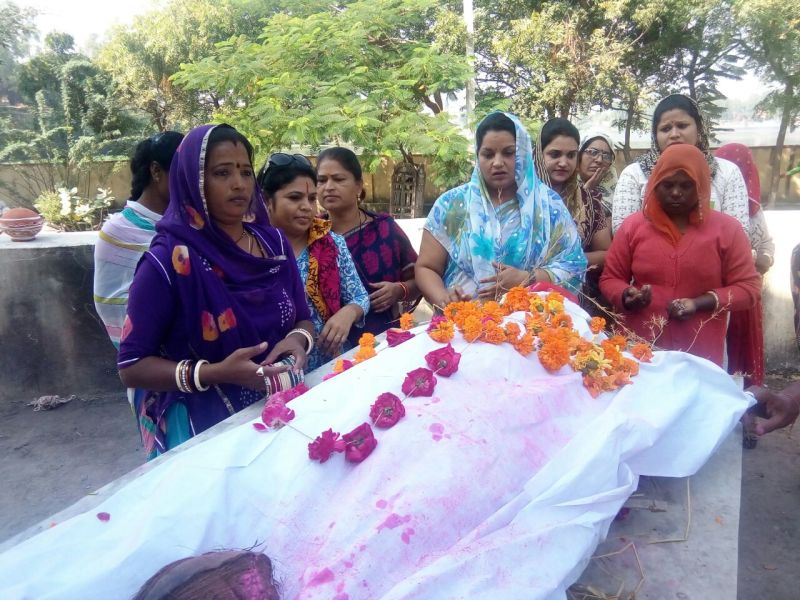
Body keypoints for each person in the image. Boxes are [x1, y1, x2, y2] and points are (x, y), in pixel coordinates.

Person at [118, 125, 315, 459]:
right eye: (222, 173)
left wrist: (298, 340)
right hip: (205, 426)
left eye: (246, 172)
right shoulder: (168, 261)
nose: (239, 184)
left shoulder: (274, 244)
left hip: (282, 407)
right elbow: (132, 366)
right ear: (192, 181)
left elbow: (303, 318)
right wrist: (215, 373)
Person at [600, 144, 761, 367]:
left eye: (686, 185)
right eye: (667, 185)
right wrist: (627, 295)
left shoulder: (727, 230)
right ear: (655, 184)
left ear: (701, 185)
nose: (676, 192)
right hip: (640, 354)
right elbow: (610, 278)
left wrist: (699, 303)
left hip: (699, 355)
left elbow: (749, 288)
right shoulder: (632, 227)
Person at [416, 111, 586, 307]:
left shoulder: (549, 206)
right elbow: (426, 267)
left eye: (509, 153)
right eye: (488, 154)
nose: (497, 163)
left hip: (530, 321)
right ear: (477, 155)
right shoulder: (451, 204)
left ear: (523, 153)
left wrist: (529, 278)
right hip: (460, 321)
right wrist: (444, 299)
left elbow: (574, 267)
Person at [259, 152, 370, 371]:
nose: (307, 207)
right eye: (294, 198)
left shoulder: (330, 243)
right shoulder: (252, 250)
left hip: (331, 365)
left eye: (311, 199)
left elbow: (359, 296)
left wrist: (348, 313)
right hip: (276, 370)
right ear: (266, 200)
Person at [316, 147, 420, 344]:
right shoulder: (312, 236)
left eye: (338, 179)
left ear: (358, 186)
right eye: (321, 180)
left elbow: (421, 279)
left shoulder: (385, 229)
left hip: (386, 342)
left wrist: (399, 290)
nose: (328, 187)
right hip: (330, 347)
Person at [611, 94, 749, 236]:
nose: (674, 134)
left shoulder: (726, 172)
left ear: (699, 128)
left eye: (682, 126)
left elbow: (739, 234)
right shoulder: (634, 174)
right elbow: (622, 233)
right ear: (655, 135)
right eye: (665, 129)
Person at [93, 131, 184, 348]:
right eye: (184, 172)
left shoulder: (185, 225)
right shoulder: (120, 230)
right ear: (156, 171)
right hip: (147, 356)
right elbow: (111, 306)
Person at [713, 143, 775, 386]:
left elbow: (767, 244)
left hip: (746, 293)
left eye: (742, 167)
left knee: (744, 344)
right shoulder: (710, 201)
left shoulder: (754, 210)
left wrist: (761, 260)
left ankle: (749, 396)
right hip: (716, 292)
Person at [578, 131, 617, 216]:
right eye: (593, 152)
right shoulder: (562, 188)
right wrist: (586, 191)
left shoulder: (619, 197)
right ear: (579, 155)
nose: (599, 160)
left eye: (606, 156)